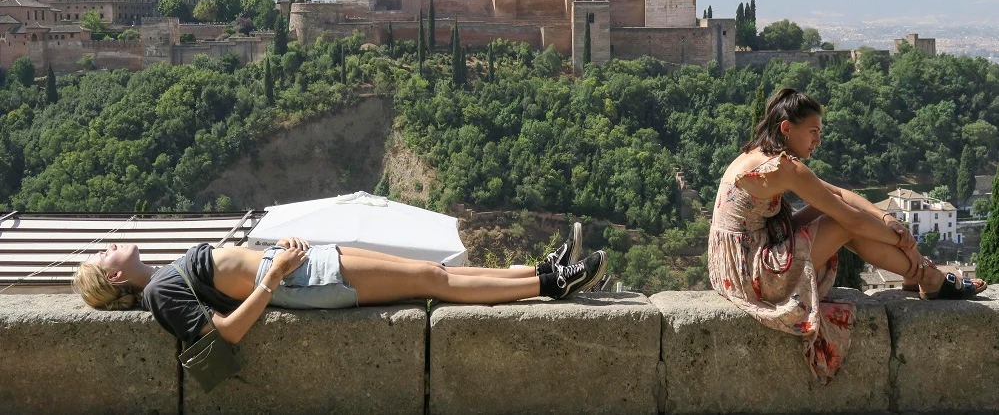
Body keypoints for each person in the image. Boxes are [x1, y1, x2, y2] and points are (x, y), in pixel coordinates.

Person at [708, 88, 987, 383]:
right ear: (787, 128)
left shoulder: (759, 156)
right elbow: (850, 217)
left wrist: (887, 218)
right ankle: (927, 275)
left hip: (739, 263)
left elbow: (841, 194)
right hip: (753, 273)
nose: (818, 139)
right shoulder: (784, 168)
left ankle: (921, 276)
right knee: (843, 223)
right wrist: (907, 244)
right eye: (813, 131)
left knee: (835, 213)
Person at [73, 229, 604, 345]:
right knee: (432, 281)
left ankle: (534, 272)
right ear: (114, 277)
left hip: (302, 265)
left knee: (435, 271)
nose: (109, 244)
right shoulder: (160, 294)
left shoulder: (162, 278)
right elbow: (225, 335)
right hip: (302, 282)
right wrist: (274, 276)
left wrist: (275, 255)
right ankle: (548, 285)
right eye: (102, 254)